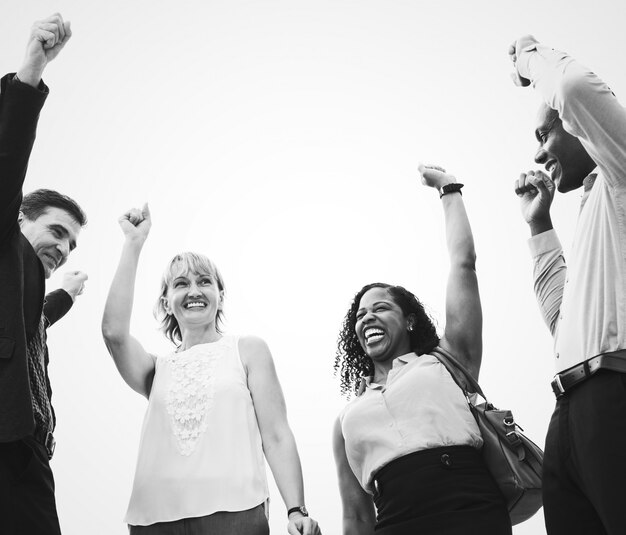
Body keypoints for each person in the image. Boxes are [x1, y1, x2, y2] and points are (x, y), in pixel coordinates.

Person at [101, 204, 321, 535]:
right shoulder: (156, 368)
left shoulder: (247, 349)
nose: (193, 291)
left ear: (219, 295)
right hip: (154, 519)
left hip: (236, 512)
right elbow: (114, 334)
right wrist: (133, 244)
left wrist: (296, 509)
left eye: (204, 281)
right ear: (166, 301)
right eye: (180, 284)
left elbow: (276, 435)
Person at [332, 165, 511, 535]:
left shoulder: (447, 360)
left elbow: (464, 264)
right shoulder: (346, 419)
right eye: (360, 315)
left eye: (380, 308)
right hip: (396, 522)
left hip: (470, 511)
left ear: (410, 321)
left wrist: (450, 190)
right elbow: (356, 516)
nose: (367, 318)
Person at [511, 35, 626, 535]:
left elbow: (574, 86)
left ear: (580, 130)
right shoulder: (595, 210)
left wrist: (529, 57)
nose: (538, 153)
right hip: (568, 413)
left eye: (545, 134)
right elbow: (563, 326)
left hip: (615, 395)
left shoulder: (621, 168)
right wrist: (539, 226)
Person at [0, 14, 88, 535]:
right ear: (18, 219)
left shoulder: (28, 294)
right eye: (56, 232)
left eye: (72, 242)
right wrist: (31, 72)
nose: (63, 246)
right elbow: (6, 160)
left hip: (30, 456)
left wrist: (65, 296)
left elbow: (32, 321)